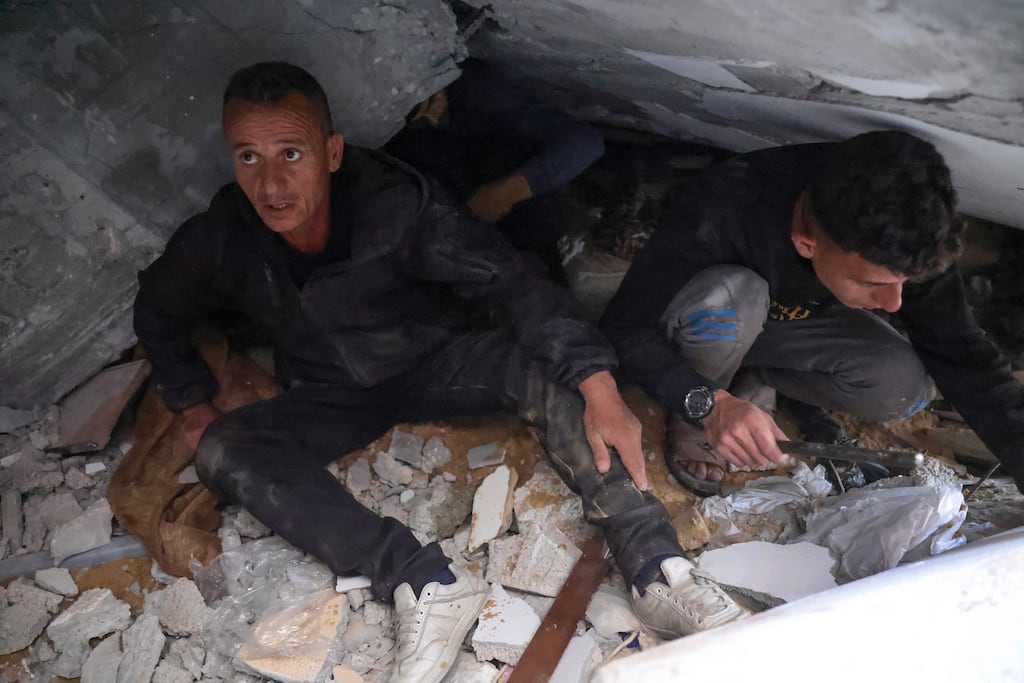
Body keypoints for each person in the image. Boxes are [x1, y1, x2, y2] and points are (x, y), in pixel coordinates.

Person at [133, 62, 745, 683]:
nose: (271, 183)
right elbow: (155, 308)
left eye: (291, 153)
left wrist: (597, 380)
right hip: (332, 390)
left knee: (551, 371)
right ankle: (425, 583)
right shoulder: (223, 237)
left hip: (439, 358)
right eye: (249, 157)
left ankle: (657, 570)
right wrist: (191, 402)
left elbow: (513, 281)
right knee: (222, 448)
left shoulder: (397, 207)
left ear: (332, 153)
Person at [601, 130, 1024, 498]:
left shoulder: (909, 228)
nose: (894, 303)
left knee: (904, 385)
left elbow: (962, 353)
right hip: (714, 321)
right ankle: (701, 413)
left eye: (905, 284)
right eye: (871, 284)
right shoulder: (724, 209)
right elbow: (625, 326)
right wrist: (706, 404)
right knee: (734, 297)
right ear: (807, 243)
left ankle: (755, 379)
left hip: (784, 328)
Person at [384, 58, 605, 279]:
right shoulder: (403, 140)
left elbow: (586, 143)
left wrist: (506, 193)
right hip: (469, 232)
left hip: (533, 211)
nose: (432, 117)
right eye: (418, 118)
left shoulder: (480, 94)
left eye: (431, 101)